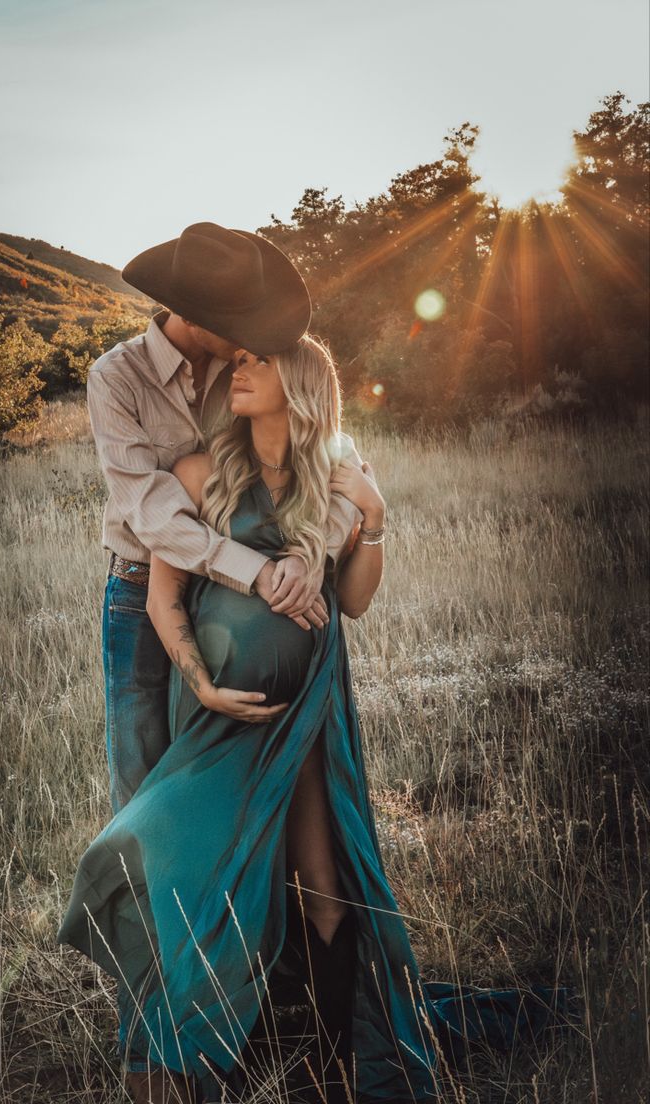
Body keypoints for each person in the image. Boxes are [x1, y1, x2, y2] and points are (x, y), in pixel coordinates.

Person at [58, 336, 575, 1104]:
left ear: (299, 383)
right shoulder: (201, 474)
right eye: (236, 360)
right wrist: (203, 685)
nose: (239, 369)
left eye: (257, 361)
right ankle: (167, 1059)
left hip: (310, 711)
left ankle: (344, 1069)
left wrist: (374, 518)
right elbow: (165, 598)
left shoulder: (330, 481)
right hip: (219, 718)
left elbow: (356, 600)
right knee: (183, 864)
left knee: (322, 876)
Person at [81, 222, 363, 1097]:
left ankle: (263, 1012)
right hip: (146, 601)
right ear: (193, 314)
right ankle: (156, 1044)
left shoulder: (247, 371)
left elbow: (334, 462)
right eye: (234, 322)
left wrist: (319, 551)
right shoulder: (117, 379)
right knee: (155, 808)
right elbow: (159, 515)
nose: (249, 341)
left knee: (273, 826)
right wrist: (265, 575)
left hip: (246, 609)